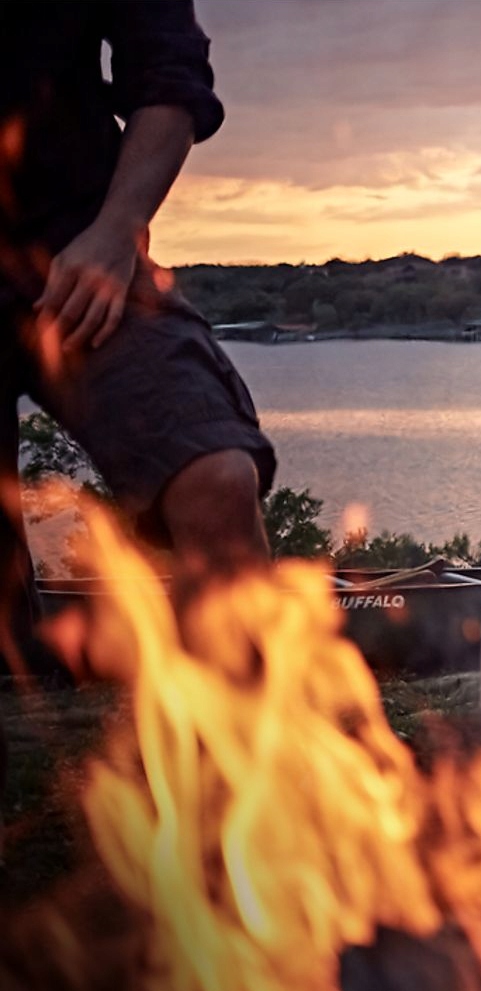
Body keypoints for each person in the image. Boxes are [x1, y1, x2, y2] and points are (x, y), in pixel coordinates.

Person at [2, 1, 278, 818]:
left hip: (75, 251)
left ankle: (251, 812)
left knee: (214, 478)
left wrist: (119, 228)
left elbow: (169, 75)